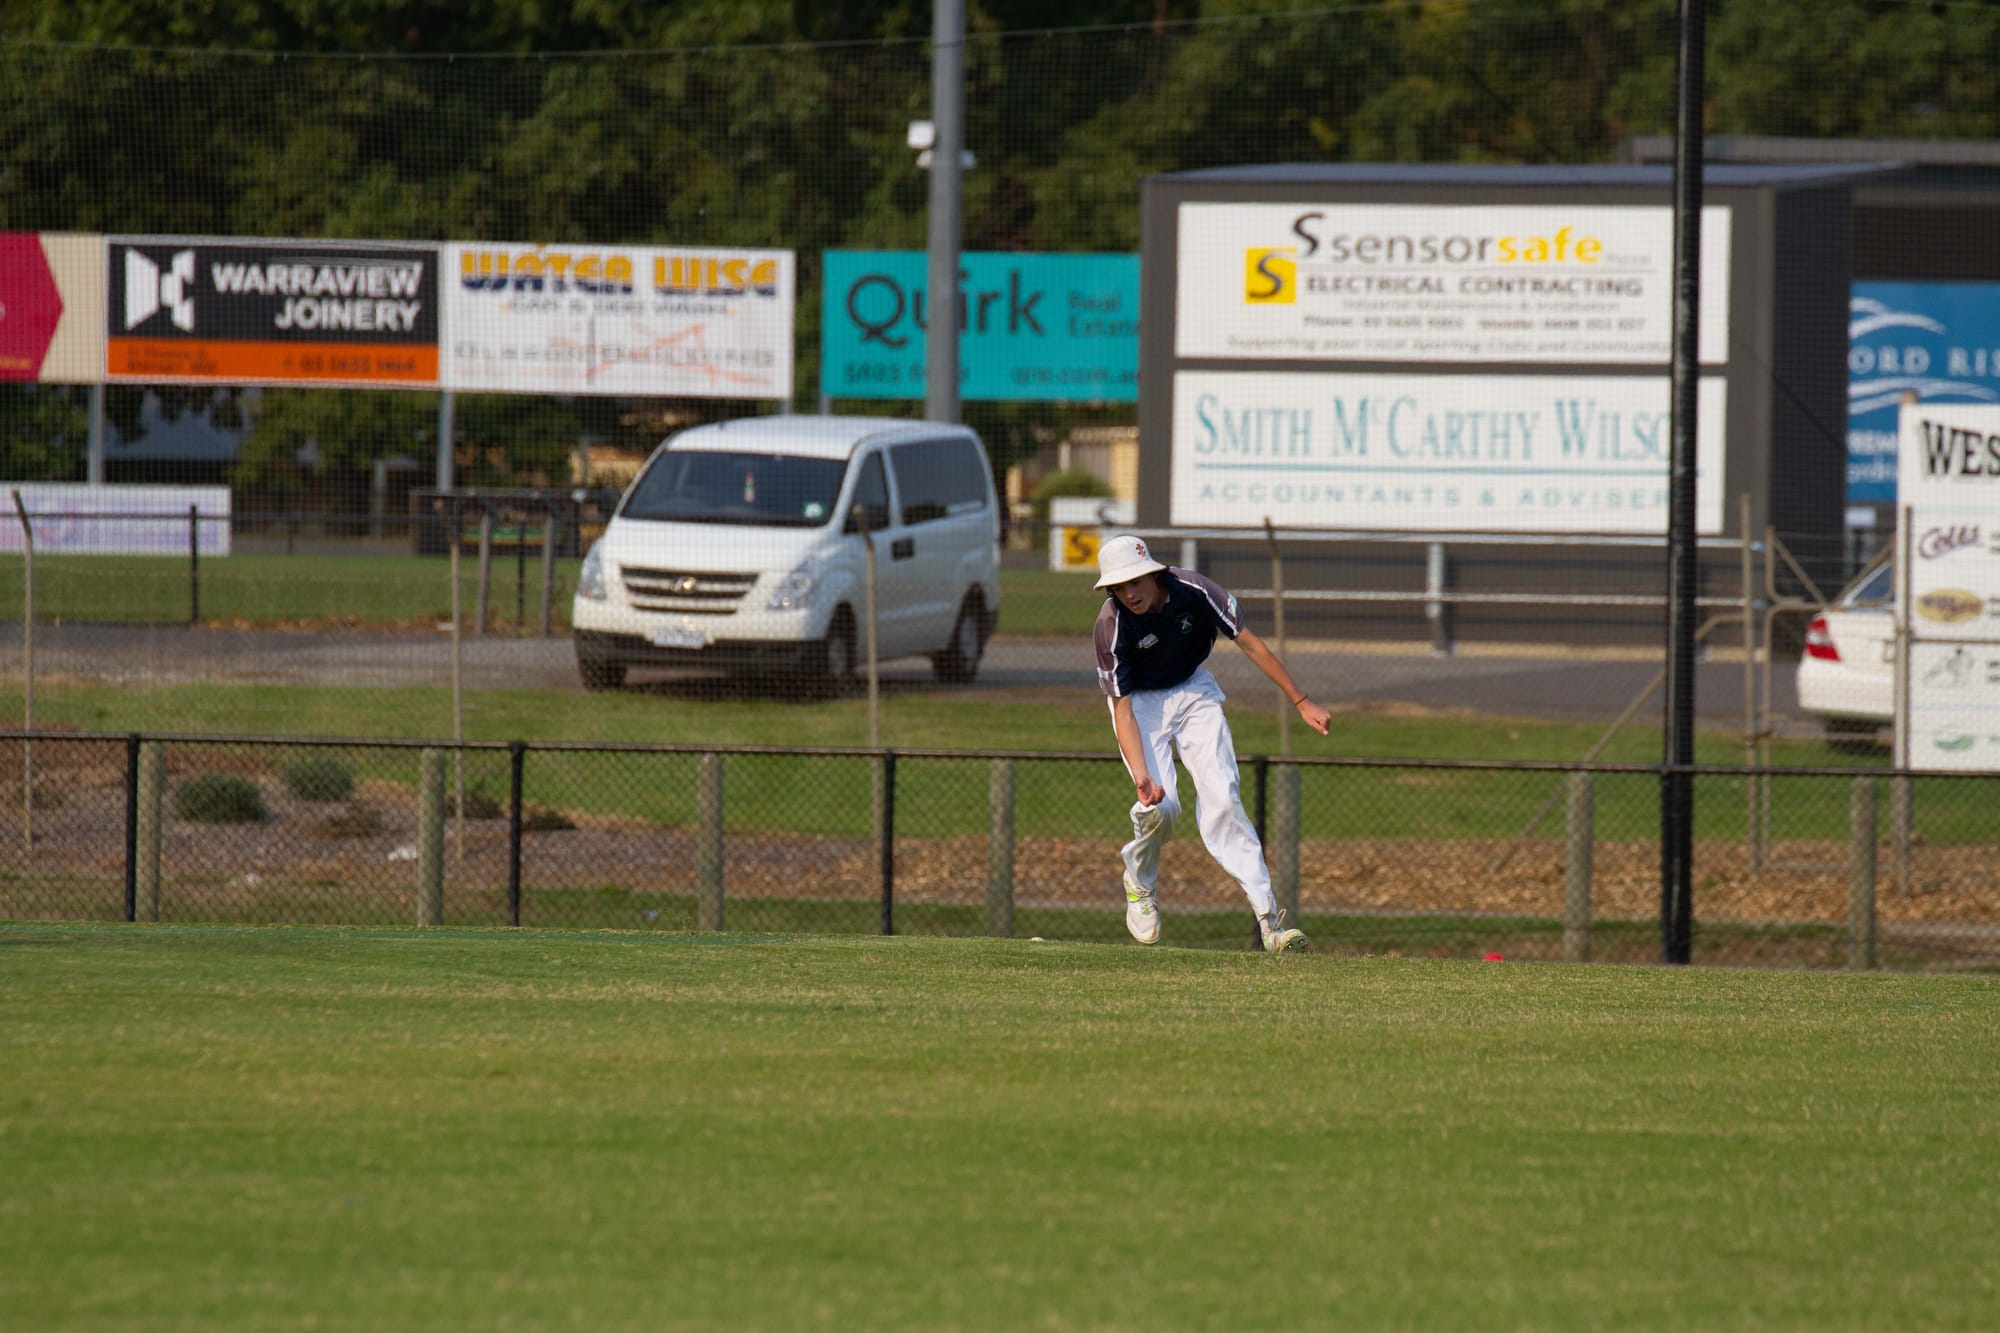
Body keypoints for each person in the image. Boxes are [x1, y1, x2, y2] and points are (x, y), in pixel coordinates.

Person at [1092, 533, 1331, 953]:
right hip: (1140, 708)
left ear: (1153, 573)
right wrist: (1142, 774)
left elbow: (1251, 644)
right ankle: (1139, 883)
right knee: (1159, 808)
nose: (1128, 593)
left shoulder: (1196, 591)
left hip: (1194, 692)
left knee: (1223, 798)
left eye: (1135, 582)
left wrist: (1301, 700)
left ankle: (1268, 921)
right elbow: (1122, 708)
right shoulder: (1110, 623)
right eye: (1118, 586)